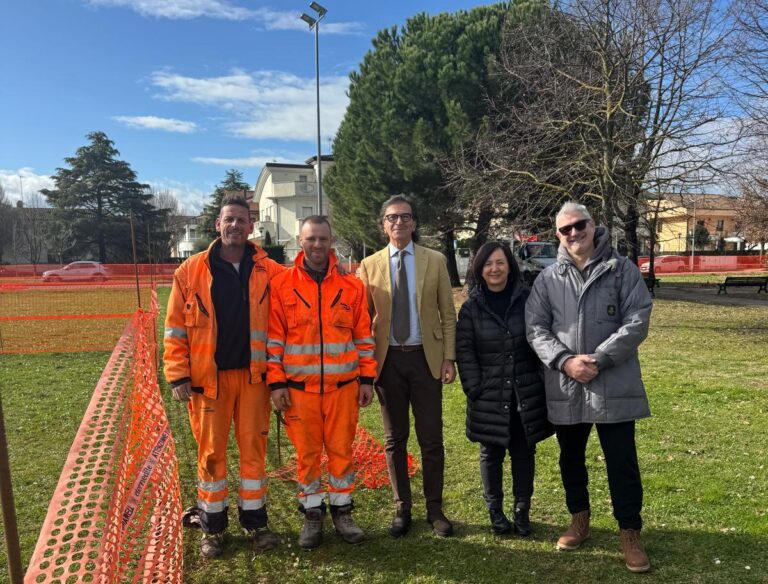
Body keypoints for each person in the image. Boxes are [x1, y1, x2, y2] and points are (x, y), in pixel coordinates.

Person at [525, 202, 653, 573]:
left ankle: (630, 533)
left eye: (579, 225)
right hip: (567, 385)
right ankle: (579, 519)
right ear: (557, 235)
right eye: (565, 229)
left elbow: (637, 320)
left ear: (593, 225)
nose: (573, 233)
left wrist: (598, 359)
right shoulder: (548, 279)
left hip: (613, 382)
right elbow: (535, 328)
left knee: (622, 462)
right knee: (571, 458)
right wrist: (565, 361)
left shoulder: (622, 270)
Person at [163, 196, 284, 558]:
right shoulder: (190, 271)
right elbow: (174, 328)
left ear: (251, 227)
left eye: (241, 220)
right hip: (208, 383)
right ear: (218, 224)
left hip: (254, 379)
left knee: (254, 452)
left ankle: (256, 524)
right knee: (211, 455)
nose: (235, 225)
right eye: (228, 219)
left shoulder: (270, 271)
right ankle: (212, 529)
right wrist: (177, 374)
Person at [267, 216, 376, 550]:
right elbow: (274, 340)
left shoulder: (352, 287)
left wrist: (367, 378)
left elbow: (363, 337)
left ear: (331, 241)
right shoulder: (282, 285)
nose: (317, 244)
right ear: (300, 241)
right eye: (311, 238)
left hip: (343, 389)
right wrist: (276, 383)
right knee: (307, 456)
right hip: (299, 392)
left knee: (342, 452)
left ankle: (343, 512)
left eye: (323, 239)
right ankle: (312, 515)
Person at [358, 194, 457, 538]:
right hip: (387, 363)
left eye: (405, 216)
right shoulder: (368, 265)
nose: (398, 222)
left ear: (414, 223)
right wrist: (364, 370)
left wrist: (449, 357)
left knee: (431, 438)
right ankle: (402, 509)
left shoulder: (435, 260)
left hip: (425, 359)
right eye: (392, 217)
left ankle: (435, 509)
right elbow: (362, 321)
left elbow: (448, 314)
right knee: (394, 438)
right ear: (383, 225)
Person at [456, 241, 552, 536]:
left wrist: (539, 379)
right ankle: (495, 510)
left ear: (510, 266)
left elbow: (541, 340)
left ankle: (522, 510)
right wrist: (475, 388)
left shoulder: (528, 300)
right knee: (491, 453)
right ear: (479, 269)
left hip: (525, 391)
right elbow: (465, 352)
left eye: (500, 262)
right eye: (488, 264)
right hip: (488, 394)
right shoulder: (471, 308)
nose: (494, 269)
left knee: (524, 453)